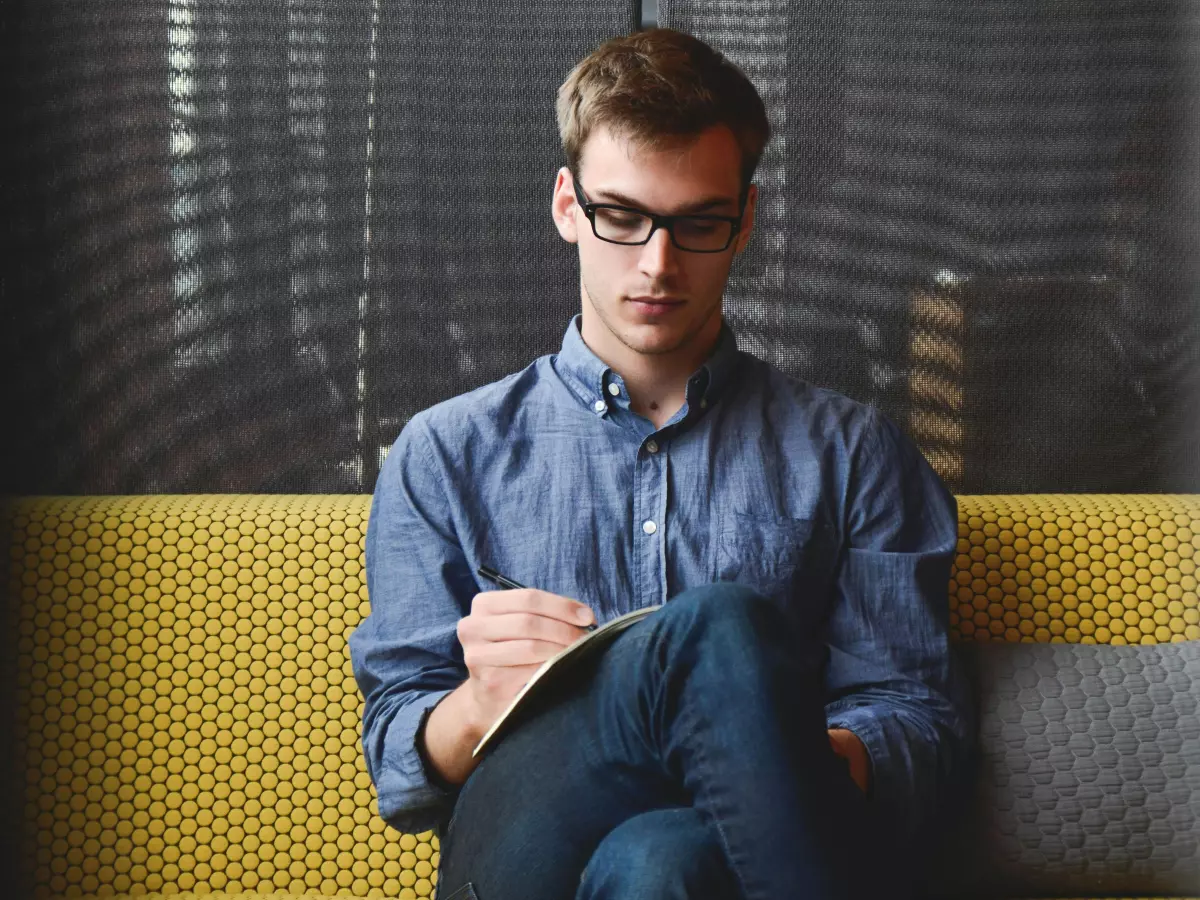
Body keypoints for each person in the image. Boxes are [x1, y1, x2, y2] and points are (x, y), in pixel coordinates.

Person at [349, 27, 974, 900]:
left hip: (716, 860)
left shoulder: (855, 452)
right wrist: (477, 703)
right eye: (623, 216)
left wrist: (758, 747)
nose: (657, 263)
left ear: (745, 220)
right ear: (568, 206)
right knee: (717, 631)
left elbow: (919, 732)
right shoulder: (446, 451)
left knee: (663, 863)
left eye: (698, 224)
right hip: (519, 855)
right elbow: (398, 764)